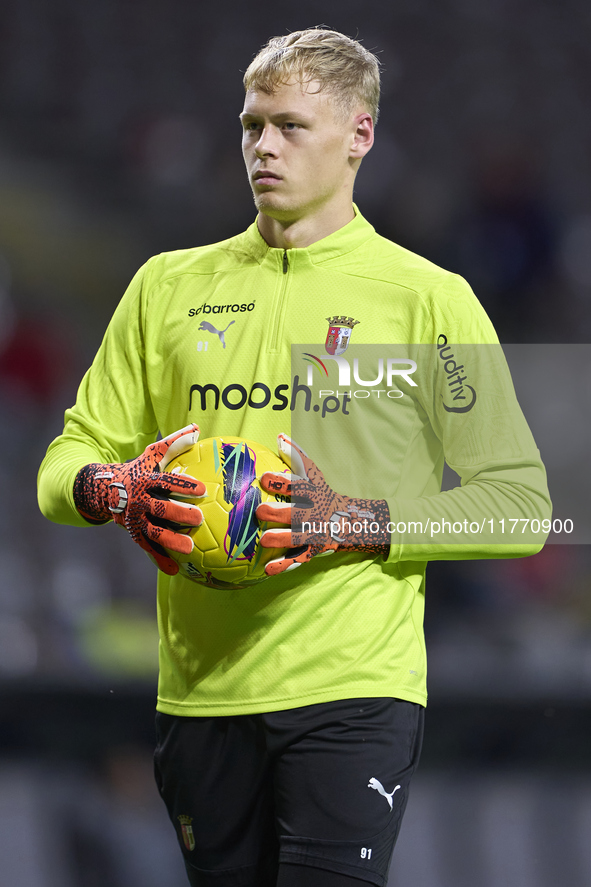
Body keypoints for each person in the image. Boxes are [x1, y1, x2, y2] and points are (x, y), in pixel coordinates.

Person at [37, 28, 551, 887]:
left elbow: (521, 507)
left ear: (359, 134)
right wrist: (108, 488)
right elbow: (67, 457)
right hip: (200, 694)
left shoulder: (428, 299)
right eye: (250, 124)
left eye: (289, 125)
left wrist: (358, 521)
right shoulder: (166, 286)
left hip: (351, 690)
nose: (262, 146)